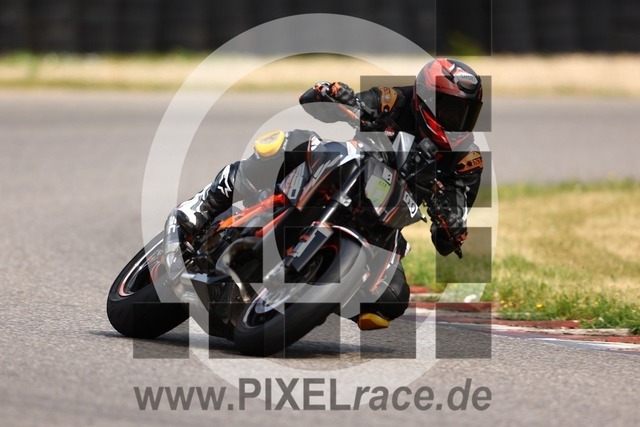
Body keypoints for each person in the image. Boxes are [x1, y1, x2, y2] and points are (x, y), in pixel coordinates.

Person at [163, 58, 485, 330]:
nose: (458, 121)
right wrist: (335, 95)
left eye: (466, 113)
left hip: (386, 217)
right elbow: (321, 103)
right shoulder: (395, 99)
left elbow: (450, 231)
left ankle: (314, 292)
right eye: (450, 109)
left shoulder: (467, 161)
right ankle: (204, 204)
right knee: (293, 142)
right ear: (425, 98)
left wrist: (452, 223)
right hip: (351, 169)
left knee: (392, 298)